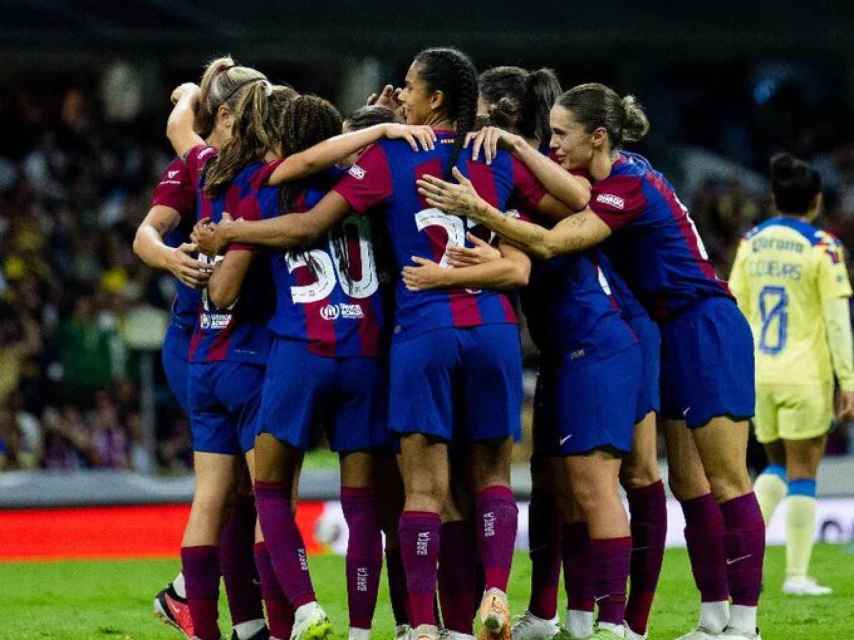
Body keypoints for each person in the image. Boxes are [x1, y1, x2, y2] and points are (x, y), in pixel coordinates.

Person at [193, 47, 587, 640]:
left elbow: (306, 218)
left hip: (418, 329)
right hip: (494, 329)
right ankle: (498, 595)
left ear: (432, 100)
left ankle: (424, 626)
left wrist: (230, 230)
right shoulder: (492, 155)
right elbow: (576, 203)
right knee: (492, 479)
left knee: (422, 488)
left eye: (409, 86)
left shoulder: (390, 155)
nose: (400, 94)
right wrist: (516, 147)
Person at [417, 82, 765, 640]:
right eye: (547, 134)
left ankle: (743, 626)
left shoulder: (625, 186)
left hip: (704, 323)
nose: (553, 145)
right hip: (669, 329)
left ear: (597, 137)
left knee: (725, 480)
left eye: (561, 135)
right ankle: (714, 616)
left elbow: (552, 245)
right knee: (691, 484)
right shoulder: (620, 173)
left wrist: (479, 208)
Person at [134, 55, 278, 640]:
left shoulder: (223, 161)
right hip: (195, 337)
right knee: (234, 485)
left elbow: (178, 123)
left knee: (235, 489)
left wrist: (196, 84)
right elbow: (145, 234)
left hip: (234, 338)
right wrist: (169, 256)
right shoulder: (201, 167)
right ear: (229, 115)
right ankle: (197, 600)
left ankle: (215, 609)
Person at [729, 152, 854, 596]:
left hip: (760, 372)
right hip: (805, 374)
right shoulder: (823, 247)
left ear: (774, 197)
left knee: (776, 466)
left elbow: (736, 309)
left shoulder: (751, 242)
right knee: (803, 472)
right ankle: (798, 576)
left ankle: (739, 556)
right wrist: (849, 381)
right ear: (816, 201)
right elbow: (838, 321)